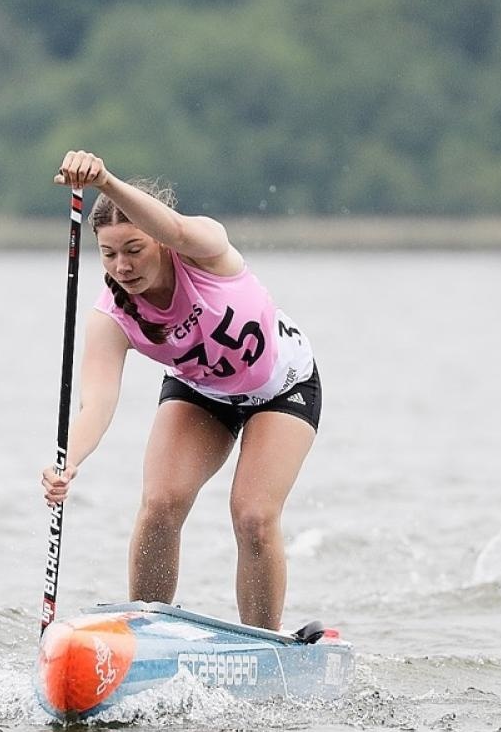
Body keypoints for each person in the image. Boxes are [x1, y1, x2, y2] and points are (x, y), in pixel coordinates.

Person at [40, 150, 320, 630]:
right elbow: (97, 403)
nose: (122, 266)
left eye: (134, 249)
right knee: (160, 504)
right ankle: (144, 633)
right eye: (109, 254)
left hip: (282, 386)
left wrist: (105, 180)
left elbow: (178, 229)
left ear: (161, 243)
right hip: (202, 393)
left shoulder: (203, 248)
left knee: (252, 515)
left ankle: (266, 644)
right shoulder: (111, 318)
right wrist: (68, 463)